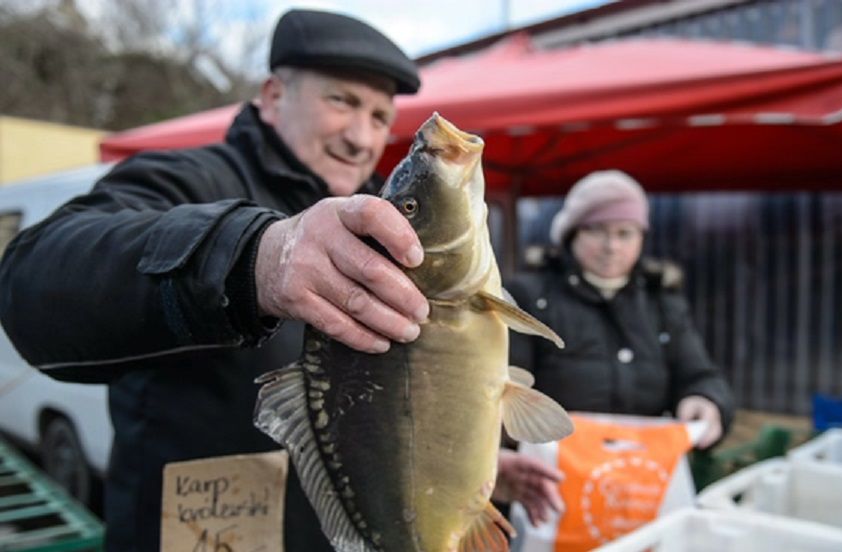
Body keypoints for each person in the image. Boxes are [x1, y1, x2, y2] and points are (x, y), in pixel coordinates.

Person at [0, 9, 556, 550]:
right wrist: (255, 257)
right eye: (342, 101)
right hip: (201, 533)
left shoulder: (391, 215)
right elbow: (30, 278)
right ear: (272, 95)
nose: (362, 137)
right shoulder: (185, 176)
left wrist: (450, 462)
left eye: (380, 117)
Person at [507, 170, 735, 450]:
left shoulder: (661, 304)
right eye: (596, 230)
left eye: (624, 233)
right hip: (552, 469)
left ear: (641, 238)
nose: (611, 246)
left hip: (640, 469)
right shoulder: (528, 297)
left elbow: (698, 374)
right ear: (571, 234)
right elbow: (505, 383)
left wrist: (706, 399)